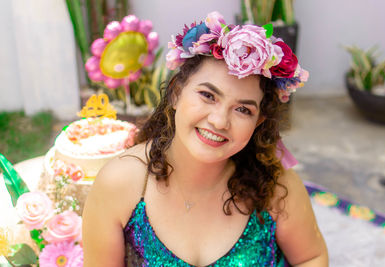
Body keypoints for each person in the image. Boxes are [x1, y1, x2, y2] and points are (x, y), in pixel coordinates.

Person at [83, 11, 328, 267]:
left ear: (258, 123)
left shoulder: (276, 188)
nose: (220, 121)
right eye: (208, 96)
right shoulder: (121, 184)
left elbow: (311, 258)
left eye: (243, 109)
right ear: (176, 93)